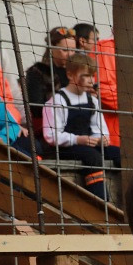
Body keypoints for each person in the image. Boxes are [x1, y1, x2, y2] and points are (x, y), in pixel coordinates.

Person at [42, 53, 121, 200]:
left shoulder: (92, 100)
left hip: (88, 143)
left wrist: (101, 138)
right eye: (86, 76)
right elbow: (51, 135)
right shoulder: (58, 100)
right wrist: (77, 140)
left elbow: (99, 126)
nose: (91, 81)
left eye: (93, 76)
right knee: (92, 157)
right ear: (71, 75)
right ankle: (100, 200)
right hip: (65, 147)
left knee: (119, 153)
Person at [25, 26, 76, 142]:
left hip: (76, 126)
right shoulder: (38, 72)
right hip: (49, 129)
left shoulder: (76, 73)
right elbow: (35, 108)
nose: (70, 55)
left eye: (73, 50)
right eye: (65, 50)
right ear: (52, 48)